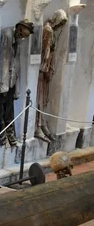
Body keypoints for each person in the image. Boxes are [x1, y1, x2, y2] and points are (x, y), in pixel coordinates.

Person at [0, 20, 34, 147]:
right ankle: (3, 138)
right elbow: (4, 61)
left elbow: (16, 62)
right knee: (0, 111)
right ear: (19, 28)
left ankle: (11, 136)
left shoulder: (17, 39)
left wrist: (16, 87)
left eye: (25, 36)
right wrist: (3, 86)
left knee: (9, 111)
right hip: (4, 81)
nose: (23, 37)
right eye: (23, 34)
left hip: (11, 80)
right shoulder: (7, 35)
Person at [35, 9, 68, 143]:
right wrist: (45, 69)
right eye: (60, 22)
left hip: (47, 69)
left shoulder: (51, 30)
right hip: (43, 71)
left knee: (43, 99)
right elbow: (46, 52)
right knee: (39, 99)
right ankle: (38, 125)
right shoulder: (47, 30)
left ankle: (42, 124)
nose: (60, 26)